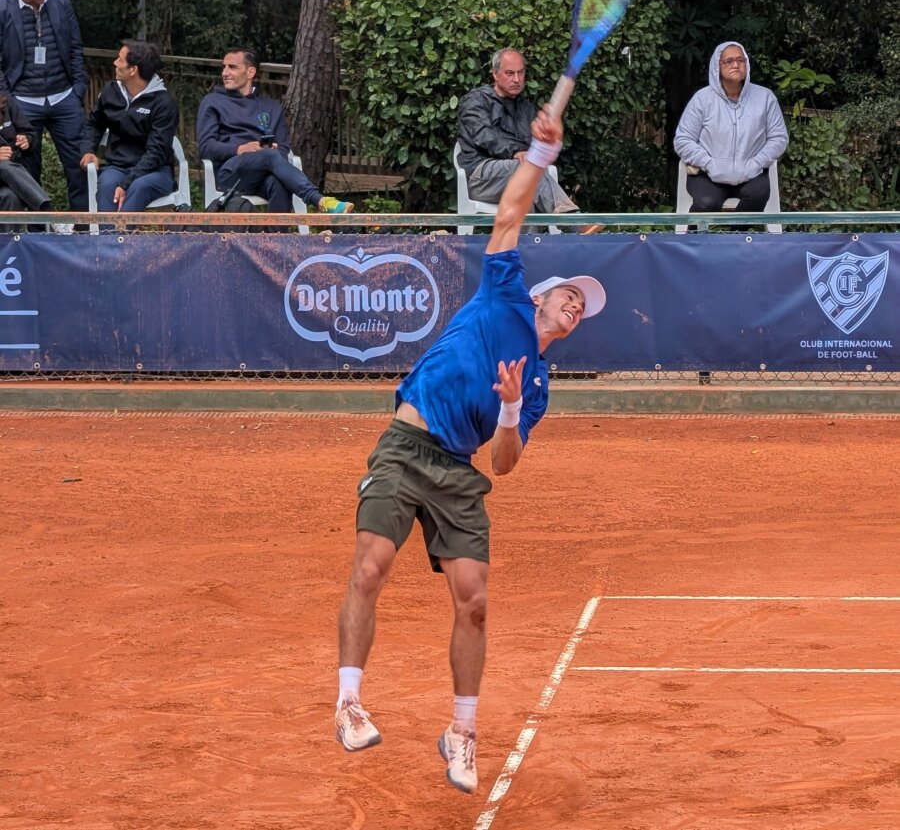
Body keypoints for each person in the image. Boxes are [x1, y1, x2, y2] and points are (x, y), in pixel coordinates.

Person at [335, 105, 606, 794]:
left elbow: (503, 464)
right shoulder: (504, 292)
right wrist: (539, 156)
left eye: (583, 308)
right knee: (371, 568)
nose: (576, 305)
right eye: (570, 295)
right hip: (407, 443)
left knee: (475, 600)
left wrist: (511, 408)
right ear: (541, 296)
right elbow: (510, 215)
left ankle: (462, 732)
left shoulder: (539, 385)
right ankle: (349, 701)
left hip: (456, 470)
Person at [196, 48, 353, 215]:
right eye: (224, 67)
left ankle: (277, 232)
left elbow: (283, 148)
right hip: (230, 174)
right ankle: (318, 199)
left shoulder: (271, 107)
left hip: (263, 174)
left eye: (232, 67)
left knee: (280, 183)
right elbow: (206, 147)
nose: (225, 73)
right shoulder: (212, 102)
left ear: (250, 72)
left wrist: (271, 151)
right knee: (269, 155)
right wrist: (239, 149)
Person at [457, 47, 591, 226]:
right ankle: (573, 221)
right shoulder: (476, 100)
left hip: (518, 177)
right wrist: (516, 151)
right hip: (480, 178)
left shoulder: (526, 108)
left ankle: (530, 244)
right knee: (526, 170)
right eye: (510, 73)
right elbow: (484, 135)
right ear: (495, 74)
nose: (517, 79)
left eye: (520, 73)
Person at [0, 0, 87, 212]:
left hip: (64, 97)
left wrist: (77, 91)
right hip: (23, 101)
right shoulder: (3, 10)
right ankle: (37, 230)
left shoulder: (61, 2)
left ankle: (82, 228)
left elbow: (75, 48)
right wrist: (9, 102)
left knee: (78, 166)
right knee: (28, 171)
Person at [674, 41, 788, 213]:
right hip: (707, 174)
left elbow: (779, 138)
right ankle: (693, 232)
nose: (736, 64)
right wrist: (709, 163)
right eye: (729, 61)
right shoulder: (702, 99)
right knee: (707, 202)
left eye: (740, 60)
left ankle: (738, 230)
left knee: (759, 193)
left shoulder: (765, 98)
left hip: (751, 173)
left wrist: (756, 163)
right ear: (717, 67)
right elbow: (683, 140)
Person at [79, 40, 178, 214]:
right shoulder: (110, 91)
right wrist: (88, 150)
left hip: (155, 172)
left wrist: (126, 183)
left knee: (138, 187)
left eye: (120, 59)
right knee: (107, 185)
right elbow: (94, 124)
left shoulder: (164, 104)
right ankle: (111, 233)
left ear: (133, 70)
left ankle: (121, 232)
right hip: (116, 167)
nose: (115, 63)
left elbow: (156, 153)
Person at [0, 90, 52, 220]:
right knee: (4, 166)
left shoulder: (6, 101)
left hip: (10, 177)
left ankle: (12, 235)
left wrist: (27, 140)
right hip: (7, 169)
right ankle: (48, 211)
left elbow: (30, 133)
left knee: (10, 196)